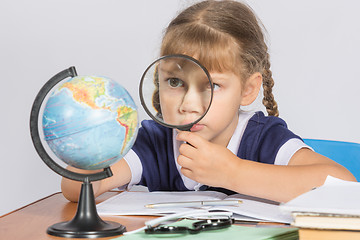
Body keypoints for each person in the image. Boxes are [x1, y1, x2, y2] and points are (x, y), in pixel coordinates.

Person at [62, 0, 356, 203]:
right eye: (175, 82)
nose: (189, 104)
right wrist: (90, 140)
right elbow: (77, 189)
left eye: (212, 85)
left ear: (248, 89)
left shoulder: (263, 139)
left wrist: (234, 173)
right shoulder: (153, 142)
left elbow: (342, 185)